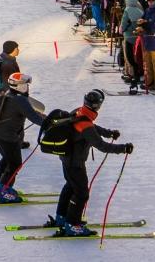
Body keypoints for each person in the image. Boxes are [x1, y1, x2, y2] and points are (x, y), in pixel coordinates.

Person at [48, 89, 132, 237]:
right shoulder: (85, 124)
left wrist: (109, 133)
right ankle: (72, 225)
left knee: (70, 187)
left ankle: (61, 218)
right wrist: (123, 148)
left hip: (67, 158)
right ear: (97, 106)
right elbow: (101, 145)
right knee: (81, 194)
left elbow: (91, 127)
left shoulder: (79, 112)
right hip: (75, 163)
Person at [0, 71, 45, 202]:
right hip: (8, 136)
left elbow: (30, 112)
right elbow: (34, 117)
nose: (28, 87)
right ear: (20, 86)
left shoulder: (9, 93)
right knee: (15, 163)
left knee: (6, 159)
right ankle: (4, 192)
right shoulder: (20, 99)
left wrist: (43, 117)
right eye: (26, 85)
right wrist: (49, 124)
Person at [118, 0, 145, 86]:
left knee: (129, 57)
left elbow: (124, 23)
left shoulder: (127, 10)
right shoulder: (140, 10)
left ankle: (132, 75)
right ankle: (139, 71)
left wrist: (121, 30)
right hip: (138, 37)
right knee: (137, 56)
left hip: (129, 37)